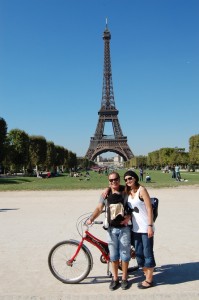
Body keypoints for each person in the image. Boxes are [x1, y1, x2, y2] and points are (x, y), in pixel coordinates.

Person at [86, 172, 131, 291]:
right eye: (111, 181)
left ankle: (125, 279)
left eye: (115, 179)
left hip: (124, 229)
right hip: (111, 229)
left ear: (119, 179)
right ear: (108, 182)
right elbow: (99, 208)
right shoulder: (105, 194)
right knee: (114, 256)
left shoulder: (126, 190)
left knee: (125, 255)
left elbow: (136, 194)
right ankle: (115, 279)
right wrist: (91, 218)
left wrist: (129, 216)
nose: (113, 182)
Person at [124, 170, 156, 289]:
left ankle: (149, 280)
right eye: (126, 179)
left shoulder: (142, 190)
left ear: (135, 178)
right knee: (138, 254)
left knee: (148, 253)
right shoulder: (128, 191)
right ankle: (147, 274)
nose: (128, 181)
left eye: (130, 178)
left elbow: (149, 208)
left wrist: (150, 226)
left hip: (146, 227)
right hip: (135, 229)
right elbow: (114, 187)